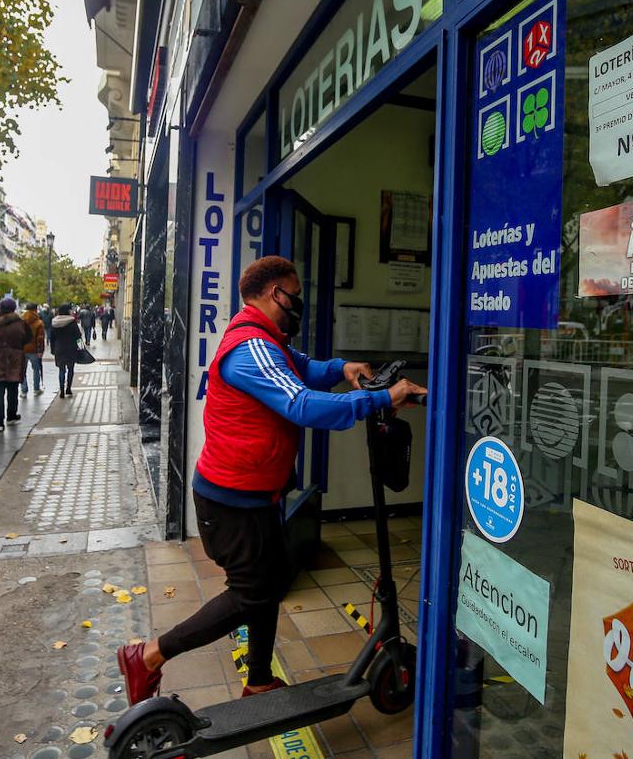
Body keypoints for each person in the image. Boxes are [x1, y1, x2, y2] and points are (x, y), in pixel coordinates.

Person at [117, 256, 426, 705]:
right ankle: (147, 655)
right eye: (294, 294)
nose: (298, 303)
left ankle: (258, 679)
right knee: (251, 594)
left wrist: (343, 369)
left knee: (270, 583)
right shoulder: (250, 348)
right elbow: (302, 405)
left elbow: (302, 368)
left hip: (255, 496)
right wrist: (381, 398)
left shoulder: (266, 340)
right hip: (230, 502)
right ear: (274, 292)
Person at [0, 297, 32, 432]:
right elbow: (28, 338)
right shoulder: (20, 323)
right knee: (12, 389)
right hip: (13, 359)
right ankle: (11, 416)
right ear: (14, 308)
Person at [50, 303, 82, 397]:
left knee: (61, 370)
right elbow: (78, 336)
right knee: (71, 369)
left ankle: (62, 391)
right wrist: (81, 348)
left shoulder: (54, 322)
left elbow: (52, 338)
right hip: (71, 348)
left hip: (59, 348)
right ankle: (68, 388)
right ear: (67, 311)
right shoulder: (72, 321)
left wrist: (53, 349)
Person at [21, 302, 46, 396]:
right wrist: (40, 350)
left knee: (22, 370)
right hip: (34, 349)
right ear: (35, 310)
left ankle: (23, 390)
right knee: (36, 369)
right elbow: (40, 338)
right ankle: (36, 389)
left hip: (22, 349)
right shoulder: (38, 322)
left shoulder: (21, 321)